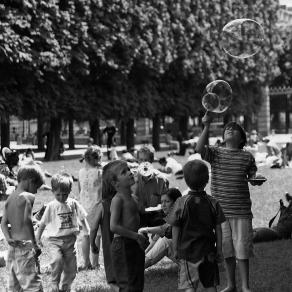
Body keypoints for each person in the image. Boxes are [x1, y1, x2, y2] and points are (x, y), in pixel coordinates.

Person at [196, 112, 265, 292]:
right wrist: (206, 126)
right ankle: (231, 284)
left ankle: (245, 286)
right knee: (226, 249)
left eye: (235, 129)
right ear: (223, 137)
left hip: (241, 211)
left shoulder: (247, 156)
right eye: (227, 129)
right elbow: (198, 148)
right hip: (220, 213)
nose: (230, 130)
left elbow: (252, 176)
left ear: (242, 138)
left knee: (241, 250)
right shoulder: (216, 153)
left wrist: (256, 179)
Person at [165, 160, 225, 292]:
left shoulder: (181, 202)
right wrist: (219, 249)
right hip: (208, 252)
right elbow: (219, 229)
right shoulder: (213, 202)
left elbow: (175, 228)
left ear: (185, 181)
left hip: (187, 253)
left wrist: (175, 249)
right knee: (210, 285)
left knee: (189, 286)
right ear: (207, 180)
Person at [36, 172, 89, 292]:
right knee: (57, 260)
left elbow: (82, 216)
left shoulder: (73, 203)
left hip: (70, 241)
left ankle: (66, 287)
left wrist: (86, 229)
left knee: (72, 269)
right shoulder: (51, 206)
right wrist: (38, 237)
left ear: (70, 190)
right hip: (55, 241)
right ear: (53, 191)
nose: (61, 197)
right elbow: (43, 223)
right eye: (58, 194)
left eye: (65, 194)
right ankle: (54, 283)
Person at [1, 165, 45, 291]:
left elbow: (3, 223)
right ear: (30, 180)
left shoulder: (10, 198)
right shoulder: (28, 197)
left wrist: (8, 238)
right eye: (36, 187)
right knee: (33, 285)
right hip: (25, 247)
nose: (35, 191)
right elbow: (27, 220)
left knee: (15, 286)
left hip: (12, 247)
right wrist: (35, 244)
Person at [109, 160, 148, 291]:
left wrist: (140, 184)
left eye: (129, 170)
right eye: (124, 172)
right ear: (116, 183)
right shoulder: (117, 199)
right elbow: (113, 226)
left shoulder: (134, 198)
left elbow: (141, 214)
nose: (130, 173)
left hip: (135, 243)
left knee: (138, 282)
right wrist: (136, 236)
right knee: (127, 284)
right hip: (122, 245)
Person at [138, 188, 182, 268]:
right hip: (189, 258)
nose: (163, 205)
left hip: (193, 261)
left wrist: (145, 229)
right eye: (162, 202)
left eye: (167, 201)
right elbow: (159, 235)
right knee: (163, 238)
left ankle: (136, 268)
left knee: (166, 242)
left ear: (176, 202)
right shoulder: (175, 215)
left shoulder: (179, 215)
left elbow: (163, 229)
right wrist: (145, 254)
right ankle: (138, 264)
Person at [78, 145, 103, 270]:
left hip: (83, 207)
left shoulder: (81, 172)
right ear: (96, 159)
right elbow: (103, 190)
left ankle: (86, 262)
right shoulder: (99, 172)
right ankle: (95, 263)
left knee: (85, 235)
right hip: (96, 206)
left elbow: (79, 189)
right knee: (97, 235)